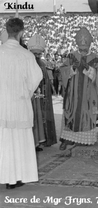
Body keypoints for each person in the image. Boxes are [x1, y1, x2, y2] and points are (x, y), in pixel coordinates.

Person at [0, 18, 43, 189]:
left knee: (5, 141)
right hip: (19, 104)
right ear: (21, 33)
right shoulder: (26, 55)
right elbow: (36, 77)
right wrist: (27, 92)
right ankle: (17, 178)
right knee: (19, 141)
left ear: (7, 30)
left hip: (2, 105)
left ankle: (5, 176)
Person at [59, 27, 98, 150]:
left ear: (89, 45)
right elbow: (62, 71)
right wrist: (72, 69)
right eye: (81, 49)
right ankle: (67, 139)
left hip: (88, 94)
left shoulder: (95, 57)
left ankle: (85, 140)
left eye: (85, 49)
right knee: (71, 113)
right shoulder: (71, 56)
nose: (83, 51)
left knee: (86, 113)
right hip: (73, 94)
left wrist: (90, 70)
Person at [28, 34, 57, 148]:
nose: (37, 56)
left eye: (39, 54)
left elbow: (45, 79)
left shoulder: (43, 64)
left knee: (42, 117)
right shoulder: (28, 62)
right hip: (33, 95)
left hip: (43, 94)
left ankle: (44, 140)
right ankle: (35, 142)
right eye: (35, 54)